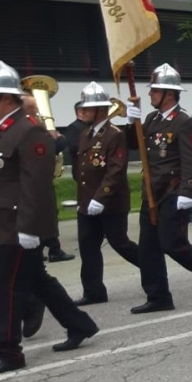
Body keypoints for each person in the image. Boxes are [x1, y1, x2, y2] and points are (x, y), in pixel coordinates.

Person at [0, 62, 99, 376]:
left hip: (16, 227)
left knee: (6, 288)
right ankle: (79, 324)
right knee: (37, 281)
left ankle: (9, 351)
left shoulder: (28, 131)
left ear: (6, 99)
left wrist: (28, 228)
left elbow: (36, 184)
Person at [126, 64, 192, 314]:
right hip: (151, 192)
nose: (150, 95)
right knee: (147, 249)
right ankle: (158, 296)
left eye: (154, 91)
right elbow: (134, 145)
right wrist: (132, 119)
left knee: (172, 243)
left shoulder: (184, 122)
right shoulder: (152, 119)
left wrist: (188, 192)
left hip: (172, 192)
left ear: (168, 93)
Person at [72, 81, 140, 306]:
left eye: (87, 108)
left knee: (120, 243)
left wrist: (101, 198)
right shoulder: (85, 134)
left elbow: (116, 169)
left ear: (100, 110)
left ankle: (152, 267)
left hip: (110, 203)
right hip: (86, 201)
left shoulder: (114, 134)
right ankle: (93, 291)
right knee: (88, 246)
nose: (82, 112)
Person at [21, 93, 76, 263]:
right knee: (48, 214)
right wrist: (60, 139)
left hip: (36, 179)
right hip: (38, 181)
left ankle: (50, 248)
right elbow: (51, 148)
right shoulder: (32, 128)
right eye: (36, 108)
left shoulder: (27, 127)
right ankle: (52, 249)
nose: (39, 112)